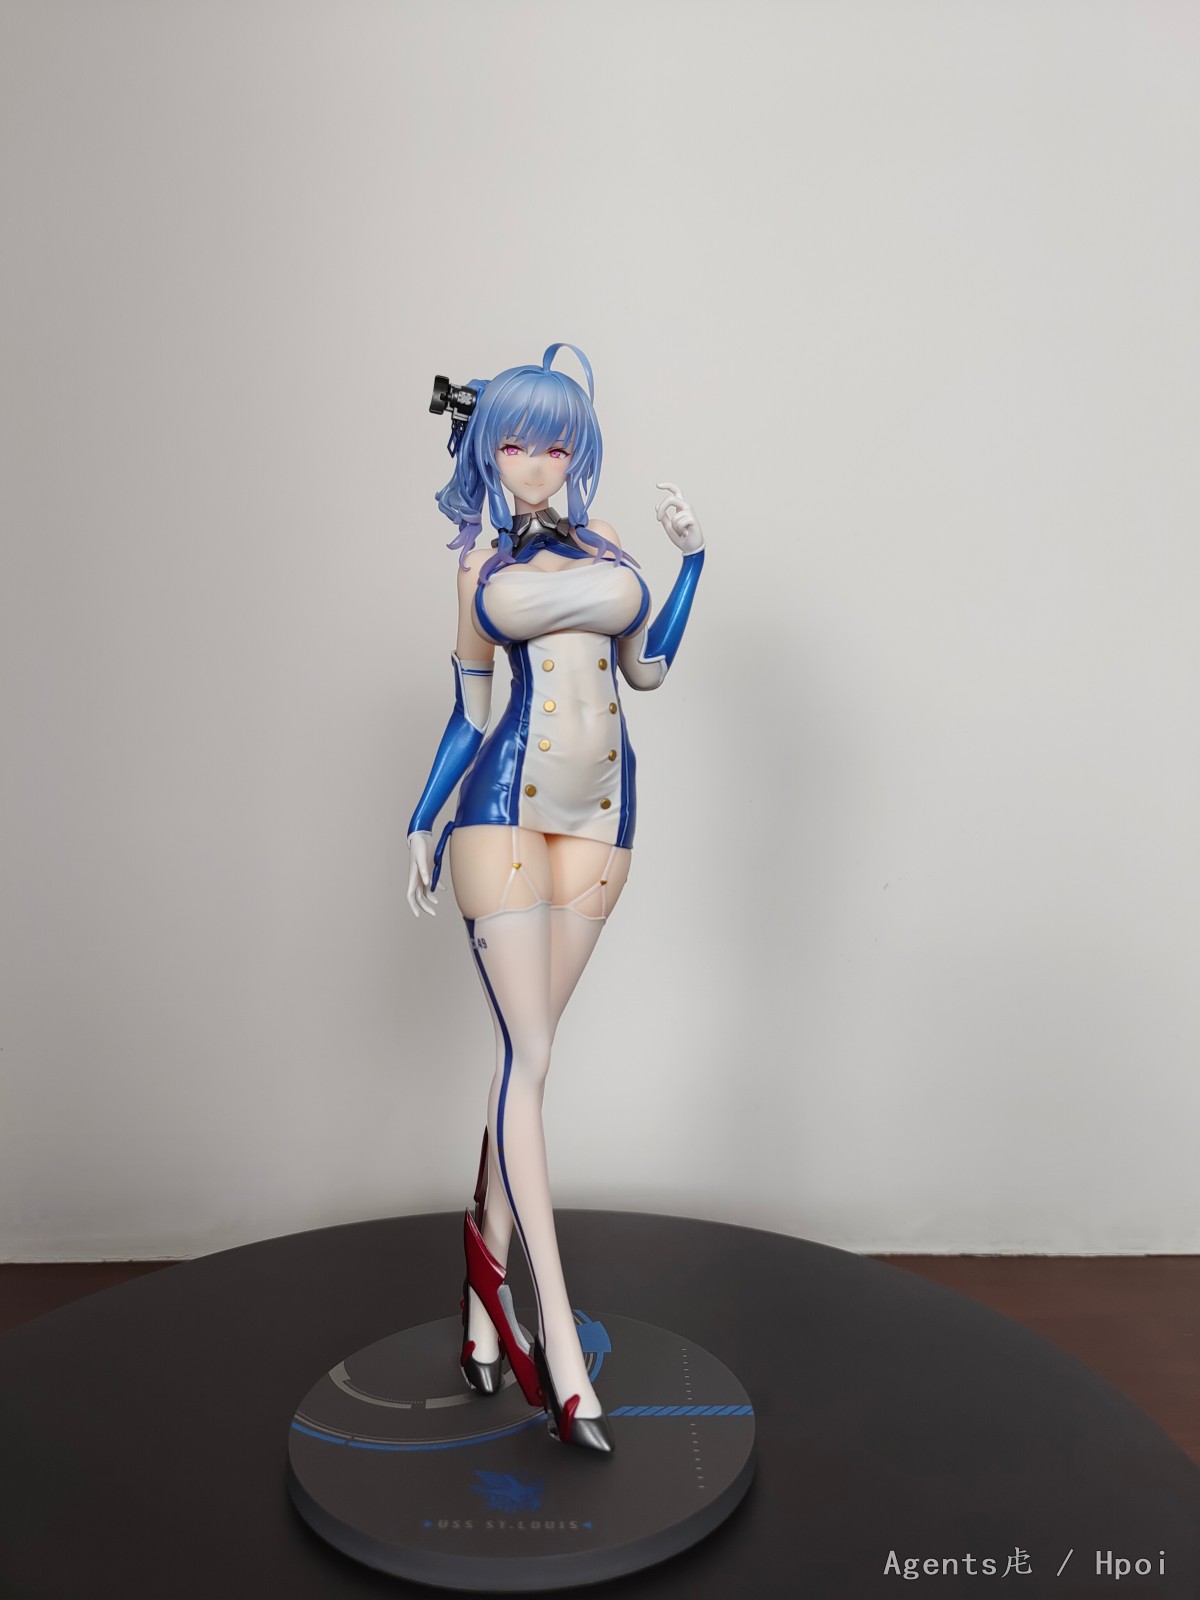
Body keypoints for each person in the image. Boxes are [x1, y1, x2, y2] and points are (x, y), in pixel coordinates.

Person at [406, 343, 705, 1453]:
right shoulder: (477, 570)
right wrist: (421, 818)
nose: (536, 464)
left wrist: (694, 565)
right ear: (487, 451)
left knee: (522, 1065)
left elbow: (648, 672)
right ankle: (561, 1357)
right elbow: (469, 712)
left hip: (603, 821)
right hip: (502, 815)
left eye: (556, 444)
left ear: (577, 451)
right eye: (516, 445)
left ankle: (481, 1295)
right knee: (528, 1063)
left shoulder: (612, 545)